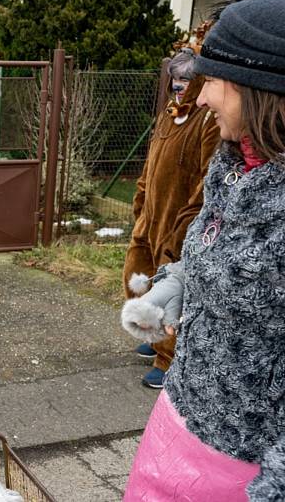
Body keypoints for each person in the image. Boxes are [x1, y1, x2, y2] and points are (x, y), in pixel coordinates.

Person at [122, 0, 285, 500]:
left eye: (211, 81)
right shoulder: (233, 163)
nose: (199, 98)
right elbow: (211, 252)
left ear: (260, 89)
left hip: (243, 465)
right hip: (180, 415)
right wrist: (177, 282)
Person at [122, 48, 220, 389]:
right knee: (138, 278)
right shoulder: (168, 113)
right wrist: (140, 199)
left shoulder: (207, 120)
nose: (178, 87)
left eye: (185, 81)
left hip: (177, 221)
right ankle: (152, 338)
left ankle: (170, 358)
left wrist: (185, 226)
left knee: (171, 292)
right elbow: (151, 161)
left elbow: (207, 177)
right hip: (150, 215)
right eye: (174, 80)